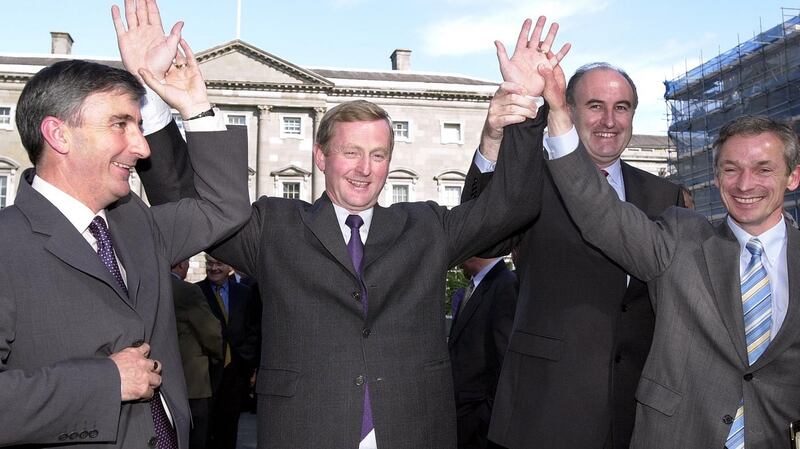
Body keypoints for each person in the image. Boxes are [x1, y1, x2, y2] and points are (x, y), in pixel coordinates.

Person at [136, 16, 567, 449]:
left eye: (378, 155)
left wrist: (526, 109)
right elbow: (185, 201)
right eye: (351, 153)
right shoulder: (275, 226)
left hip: (414, 432)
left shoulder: (424, 227)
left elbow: (508, 210)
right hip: (306, 431)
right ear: (321, 157)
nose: (365, 169)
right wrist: (162, 103)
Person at [0, 2, 250, 446]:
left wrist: (192, 104)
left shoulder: (136, 225)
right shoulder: (7, 243)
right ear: (59, 135)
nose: (141, 147)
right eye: (121, 124)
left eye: (138, 125)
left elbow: (223, 207)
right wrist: (104, 382)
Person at [538, 55, 800, 448]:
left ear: (792, 176)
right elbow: (599, 212)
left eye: (764, 169)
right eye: (730, 169)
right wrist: (559, 113)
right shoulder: (680, 237)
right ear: (716, 177)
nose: (745, 183)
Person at [462, 25, 684, 449]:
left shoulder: (663, 194)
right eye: (595, 105)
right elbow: (478, 238)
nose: (609, 120)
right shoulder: (534, 181)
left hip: (638, 413)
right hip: (546, 408)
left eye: (622, 107)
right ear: (567, 108)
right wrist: (493, 139)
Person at [448, 257, 518, 449]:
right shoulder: (474, 287)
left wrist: (485, 416)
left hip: (480, 427)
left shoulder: (506, 286)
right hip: (462, 420)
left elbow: (506, 361)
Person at [196, 255, 260, 449]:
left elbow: (253, 328)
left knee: (229, 426)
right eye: (209, 264)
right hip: (206, 371)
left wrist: (247, 361)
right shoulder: (197, 291)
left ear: (230, 267)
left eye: (219, 264)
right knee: (205, 429)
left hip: (236, 369)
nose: (213, 268)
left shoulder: (244, 293)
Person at [171, 259, 224, 449]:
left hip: (159, 380)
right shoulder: (187, 291)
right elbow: (210, 331)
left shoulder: (146, 286)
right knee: (195, 439)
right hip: (191, 380)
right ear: (182, 265)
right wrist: (218, 356)